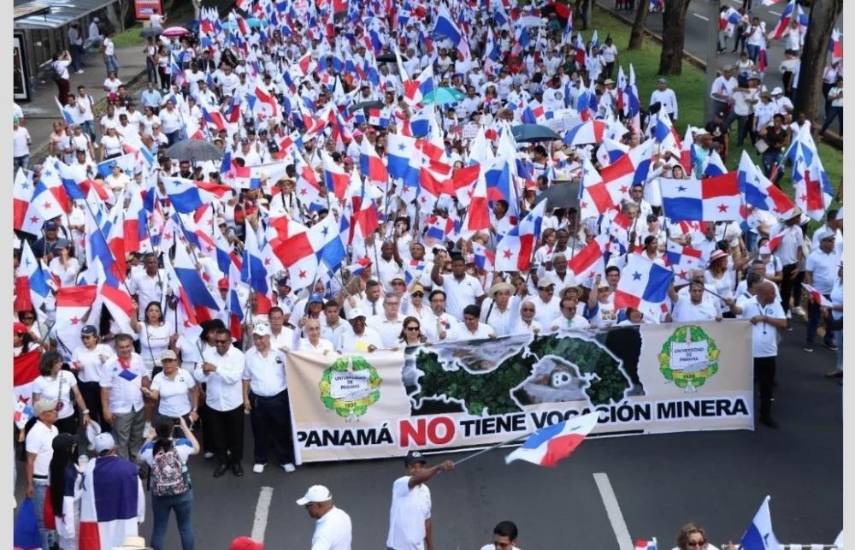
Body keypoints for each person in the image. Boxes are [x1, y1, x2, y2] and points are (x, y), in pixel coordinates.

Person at [728, 280, 787, 428]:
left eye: (774, 292)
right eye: (771, 293)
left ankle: (765, 415)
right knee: (744, 384)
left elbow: (784, 324)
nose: (775, 295)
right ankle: (739, 413)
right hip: (750, 353)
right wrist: (731, 305)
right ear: (761, 294)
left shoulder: (775, 304)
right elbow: (738, 311)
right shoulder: (749, 303)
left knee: (767, 386)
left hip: (768, 353)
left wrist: (765, 318)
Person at [242, 322, 297, 474]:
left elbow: (291, 372)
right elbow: (245, 378)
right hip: (258, 398)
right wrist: (245, 399)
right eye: (255, 338)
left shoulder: (280, 353)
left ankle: (285, 459)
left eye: (261, 338)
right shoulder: (249, 355)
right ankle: (260, 459)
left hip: (279, 398)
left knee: (281, 430)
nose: (258, 341)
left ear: (268, 337)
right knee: (259, 431)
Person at [140, 417, 199, 550]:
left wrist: (149, 437)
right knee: (185, 527)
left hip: (160, 495)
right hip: (182, 492)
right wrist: (185, 427)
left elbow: (139, 455)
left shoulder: (150, 450)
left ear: (156, 431)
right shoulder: (182, 445)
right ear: (173, 430)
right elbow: (196, 448)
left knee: (159, 530)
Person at [79, 433, 146, 549]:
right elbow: (139, 495)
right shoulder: (130, 468)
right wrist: (140, 517)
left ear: (95, 452)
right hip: (127, 520)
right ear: (114, 448)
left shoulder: (89, 470)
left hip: (101, 525)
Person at [195, 327, 246, 477]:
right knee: (218, 436)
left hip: (233, 402)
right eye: (216, 341)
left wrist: (216, 369)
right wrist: (204, 371)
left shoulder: (238, 355)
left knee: (236, 435)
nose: (219, 345)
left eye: (223, 342)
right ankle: (223, 462)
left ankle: (236, 462)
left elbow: (234, 378)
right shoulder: (206, 353)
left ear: (230, 341)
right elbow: (198, 375)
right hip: (214, 402)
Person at [386, 451, 455, 550]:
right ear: (406, 470)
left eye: (420, 467)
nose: (417, 470)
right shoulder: (400, 484)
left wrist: (430, 547)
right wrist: (439, 467)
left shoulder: (426, 491)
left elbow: (426, 520)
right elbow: (416, 479)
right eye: (413, 467)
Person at [101, 333, 148, 461]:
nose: (126, 349)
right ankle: (124, 470)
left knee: (137, 438)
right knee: (122, 442)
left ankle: (136, 467)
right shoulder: (109, 364)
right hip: (120, 409)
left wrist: (147, 390)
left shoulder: (138, 358)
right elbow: (105, 388)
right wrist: (106, 410)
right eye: (122, 347)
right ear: (116, 347)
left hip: (138, 406)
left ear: (132, 345)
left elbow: (144, 377)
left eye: (128, 346)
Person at [25, 399, 59, 550]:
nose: (55, 412)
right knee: (43, 520)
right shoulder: (35, 433)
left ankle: (52, 544)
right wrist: (30, 484)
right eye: (52, 411)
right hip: (40, 483)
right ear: (43, 415)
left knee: (52, 517)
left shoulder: (55, 429)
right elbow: (30, 460)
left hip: (53, 480)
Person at [32, 351, 90, 434]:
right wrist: (42, 418)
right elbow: (36, 404)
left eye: (61, 361)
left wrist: (85, 412)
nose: (61, 364)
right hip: (50, 419)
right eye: (57, 362)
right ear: (49, 364)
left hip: (68, 416)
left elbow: (78, 395)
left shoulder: (68, 375)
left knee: (71, 443)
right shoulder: (39, 381)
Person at [803, 229, 840, 352]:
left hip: (833, 293)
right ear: (822, 242)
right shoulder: (814, 256)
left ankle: (829, 340)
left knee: (831, 317)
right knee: (814, 318)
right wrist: (811, 292)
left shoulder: (836, 254)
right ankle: (809, 341)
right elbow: (808, 274)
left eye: (833, 240)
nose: (832, 243)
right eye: (829, 241)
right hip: (818, 293)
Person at [143, 350, 198, 425]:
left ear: (176, 362)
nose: (168, 364)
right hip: (165, 417)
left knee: (184, 437)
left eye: (170, 361)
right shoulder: (158, 377)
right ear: (162, 363)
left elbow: (194, 391)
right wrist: (148, 393)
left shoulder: (185, 374)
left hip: (185, 415)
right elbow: (155, 395)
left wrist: (194, 410)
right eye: (165, 361)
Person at [48, 433, 82, 550]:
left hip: (59, 512)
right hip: (71, 516)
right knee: (72, 545)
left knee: (63, 543)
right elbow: (68, 501)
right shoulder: (68, 470)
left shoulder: (54, 463)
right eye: (72, 446)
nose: (74, 447)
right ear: (68, 449)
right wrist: (70, 530)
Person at [296, 485, 352, 550]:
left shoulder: (323, 533)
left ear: (319, 505)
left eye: (308, 505)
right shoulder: (343, 515)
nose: (306, 508)